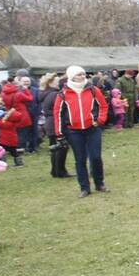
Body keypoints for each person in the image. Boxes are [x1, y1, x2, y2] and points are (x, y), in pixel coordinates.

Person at [53, 66, 110, 197]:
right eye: (79, 74)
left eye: (83, 74)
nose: (82, 76)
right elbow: (58, 114)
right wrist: (59, 133)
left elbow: (103, 106)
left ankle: (99, 183)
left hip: (92, 129)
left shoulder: (93, 90)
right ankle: (84, 187)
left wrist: (100, 120)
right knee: (80, 159)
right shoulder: (63, 94)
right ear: (71, 77)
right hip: (74, 131)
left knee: (95, 157)